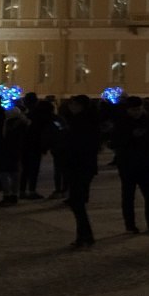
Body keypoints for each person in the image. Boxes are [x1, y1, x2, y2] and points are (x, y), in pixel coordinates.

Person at [55, 96, 102, 249]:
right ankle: (84, 235)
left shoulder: (81, 123)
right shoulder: (80, 121)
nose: (71, 106)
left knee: (77, 202)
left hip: (79, 165)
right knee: (77, 202)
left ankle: (85, 236)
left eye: (74, 104)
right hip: (81, 166)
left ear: (81, 106)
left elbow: (78, 144)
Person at [110, 99, 149, 233]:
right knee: (128, 196)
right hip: (128, 164)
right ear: (128, 110)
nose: (137, 112)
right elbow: (115, 143)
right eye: (134, 110)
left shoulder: (147, 121)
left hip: (146, 164)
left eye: (139, 109)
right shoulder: (122, 123)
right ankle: (130, 225)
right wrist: (131, 136)